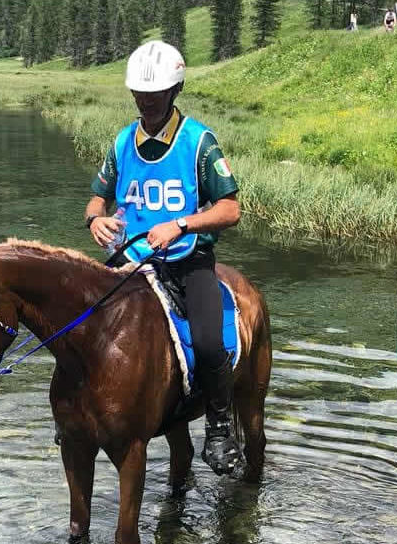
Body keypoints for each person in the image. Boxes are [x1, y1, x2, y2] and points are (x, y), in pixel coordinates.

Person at [84, 40, 243, 474]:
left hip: (186, 261)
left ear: (173, 91)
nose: (146, 103)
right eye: (139, 95)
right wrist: (95, 221)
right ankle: (77, 413)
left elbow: (230, 209)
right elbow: (96, 201)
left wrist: (181, 224)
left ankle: (220, 429)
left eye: (153, 95)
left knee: (211, 342)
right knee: (78, 323)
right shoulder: (121, 143)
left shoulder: (198, 141)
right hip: (130, 261)